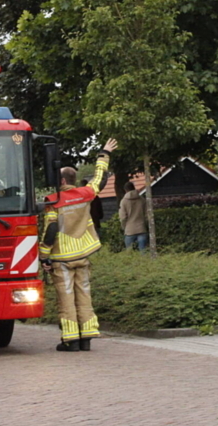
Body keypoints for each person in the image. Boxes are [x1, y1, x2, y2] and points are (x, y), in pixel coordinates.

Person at [39, 138, 117, 352]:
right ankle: (87, 338)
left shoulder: (53, 200)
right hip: (83, 255)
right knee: (84, 295)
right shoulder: (86, 194)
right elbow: (100, 179)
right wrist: (104, 153)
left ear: (62, 181)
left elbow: (51, 230)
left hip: (62, 258)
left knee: (66, 298)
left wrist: (44, 255)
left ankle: (70, 340)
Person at [119, 180, 149, 252]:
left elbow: (123, 217)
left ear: (125, 190)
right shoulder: (142, 199)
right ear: (134, 188)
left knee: (129, 253)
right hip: (141, 228)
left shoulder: (124, 201)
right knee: (143, 251)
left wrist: (124, 227)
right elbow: (147, 214)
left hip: (129, 230)